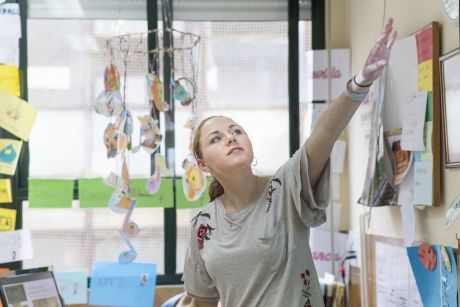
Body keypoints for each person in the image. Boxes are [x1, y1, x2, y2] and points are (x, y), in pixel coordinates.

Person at [178, 18, 398, 307]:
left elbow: (325, 133)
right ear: (203, 165)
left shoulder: (284, 189)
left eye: (236, 131)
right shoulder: (202, 225)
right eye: (216, 139)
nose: (231, 138)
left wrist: (360, 82)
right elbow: (202, 303)